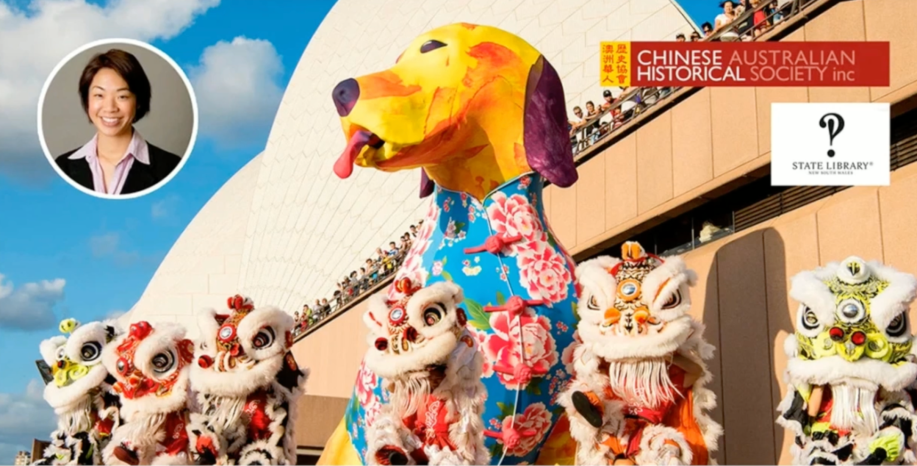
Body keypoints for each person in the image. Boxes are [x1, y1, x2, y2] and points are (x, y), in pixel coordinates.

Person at [55, 49, 181, 195]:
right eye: (99, 95)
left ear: (138, 102)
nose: (110, 108)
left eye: (122, 96)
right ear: (87, 99)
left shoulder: (172, 167)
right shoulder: (62, 166)